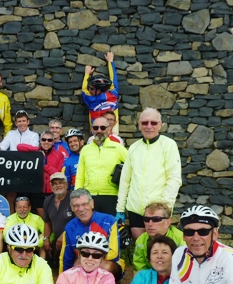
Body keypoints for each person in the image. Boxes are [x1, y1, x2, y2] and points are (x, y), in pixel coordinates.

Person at [115, 108, 182, 238]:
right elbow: (125, 180)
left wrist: (164, 208)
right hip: (135, 209)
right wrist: (120, 209)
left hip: (157, 211)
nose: (149, 126)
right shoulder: (134, 148)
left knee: (158, 250)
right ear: (139, 125)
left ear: (160, 124)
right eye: (145, 123)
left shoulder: (169, 145)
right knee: (141, 247)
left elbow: (174, 179)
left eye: (153, 123)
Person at [58, 189, 123, 283]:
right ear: (71, 208)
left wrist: (90, 259)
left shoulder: (109, 221)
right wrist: (62, 281)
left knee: (105, 266)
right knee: (76, 265)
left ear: (92, 203)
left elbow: (114, 253)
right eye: (76, 206)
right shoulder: (69, 227)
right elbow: (65, 258)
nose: (81, 209)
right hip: (81, 264)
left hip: (106, 263)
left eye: (84, 204)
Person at [75, 117, 126, 216]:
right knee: (91, 229)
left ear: (109, 129)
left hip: (111, 195)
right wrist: (77, 196)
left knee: (110, 229)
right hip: (89, 196)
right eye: (96, 128)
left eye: (103, 128)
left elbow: (131, 168)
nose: (99, 131)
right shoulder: (85, 149)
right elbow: (80, 175)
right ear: (92, 129)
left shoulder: (118, 148)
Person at [17, 131, 65, 219]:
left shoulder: (58, 155)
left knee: (54, 217)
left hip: (52, 191)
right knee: (43, 218)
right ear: (40, 140)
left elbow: (57, 173)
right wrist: (38, 151)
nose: (46, 142)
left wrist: (44, 165)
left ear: (53, 142)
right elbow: (19, 147)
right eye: (44, 139)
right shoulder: (36, 152)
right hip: (38, 190)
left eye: (49, 140)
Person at [133, 202, 185, 272]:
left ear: (168, 222)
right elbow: (140, 270)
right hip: (150, 278)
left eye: (156, 219)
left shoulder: (181, 239)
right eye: (146, 219)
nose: (150, 224)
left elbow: (185, 269)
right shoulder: (141, 240)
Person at [82, 52, 120, 134]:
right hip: (110, 133)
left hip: (99, 134)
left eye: (91, 88)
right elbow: (113, 78)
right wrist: (110, 61)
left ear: (98, 90)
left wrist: (87, 74)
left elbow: (84, 89)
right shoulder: (114, 94)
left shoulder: (89, 99)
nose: (89, 90)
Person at [42, 172, 75, 265]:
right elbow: (47, 222)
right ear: (51, 186)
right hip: (56, 240)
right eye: (55, 184)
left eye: (60, 183)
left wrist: (63, 236)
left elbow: (78, 221)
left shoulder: (73, 198)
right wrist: (46, 238)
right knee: (45, 248)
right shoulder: (48, 201)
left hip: (73, 237)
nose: (58, 186)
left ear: (66, 184)